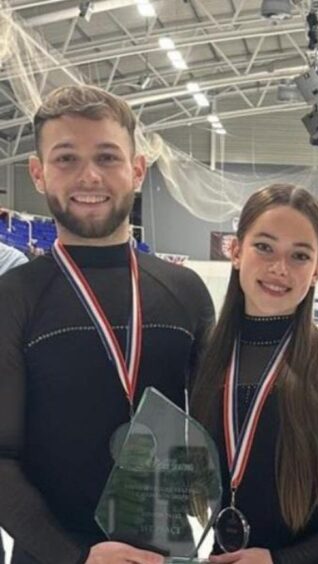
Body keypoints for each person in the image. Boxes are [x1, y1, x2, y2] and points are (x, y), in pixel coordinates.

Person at [0, 85, 215, 564]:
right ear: (37, 173)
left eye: (107, 157)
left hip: (168, 554)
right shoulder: (13, 298)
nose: (89, 176)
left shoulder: (185, 292)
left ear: (137, 169)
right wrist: (79, 556)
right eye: (66, 159)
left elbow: (217, 437)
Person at [190, 184, 318, 564]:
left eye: (299, 255)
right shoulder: (200, 363)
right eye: (264, 247)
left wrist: (281, 560)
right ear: (235, 251)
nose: (279, 268)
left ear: (317, 270)